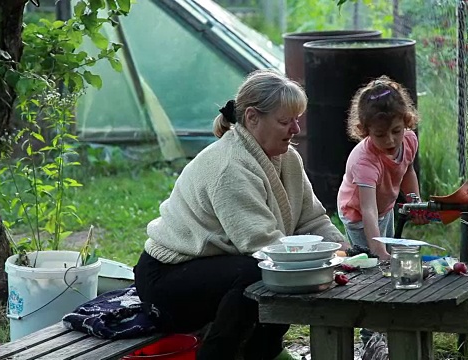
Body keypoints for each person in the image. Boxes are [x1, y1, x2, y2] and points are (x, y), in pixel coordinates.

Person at [134, 69, 349, 360]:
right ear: (252, 118)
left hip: (217, 268)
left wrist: (342, 251)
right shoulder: (229, 167)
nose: (296, 129)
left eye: (297, 120)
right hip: (168, 279)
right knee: (262, 272)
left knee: (269, 271)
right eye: (285, 121)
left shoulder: (288, 158)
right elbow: (261, 244)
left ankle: (266, 352)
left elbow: (312, 219)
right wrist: (320, 263)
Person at [337, 75, 425, 346]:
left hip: (383, 207)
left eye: (396, 130)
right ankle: (369, 337)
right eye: (380, 134)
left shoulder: (408, 141)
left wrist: (414, 200)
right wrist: (379, 250)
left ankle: (386, 328)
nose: (390, 140)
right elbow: (367, 211)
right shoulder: (365, 160)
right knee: (370, 271)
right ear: (364, 130)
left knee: (383, 265)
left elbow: (407, 169)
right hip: (358, 215)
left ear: (406, 122)